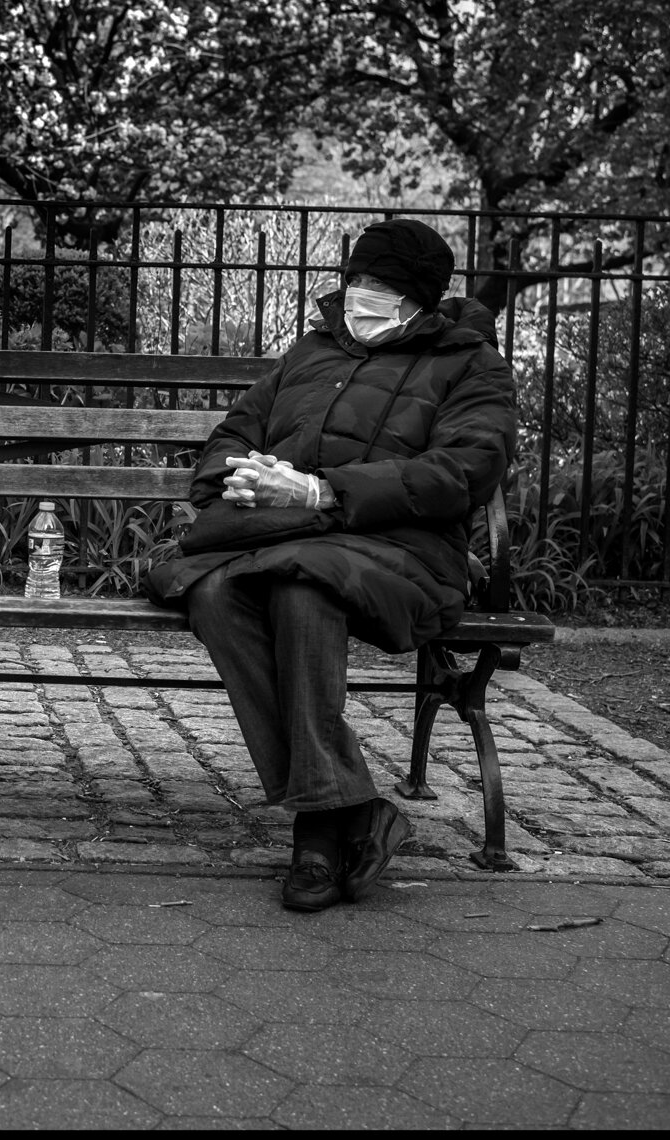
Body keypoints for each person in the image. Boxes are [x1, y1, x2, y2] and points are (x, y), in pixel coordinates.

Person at [146, 220, 518, 912]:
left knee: (300, 586)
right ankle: (351, 810)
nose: (361, 294)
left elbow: (462, 471)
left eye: (380, 286)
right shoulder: (311, 351)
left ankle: (318, 831)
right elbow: (234, 433)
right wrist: (244, 475)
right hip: (277, 535)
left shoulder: (471, 365)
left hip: (403, 550)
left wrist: (323, 491)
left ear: (418, 299)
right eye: (356, 280)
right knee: (215, 595)